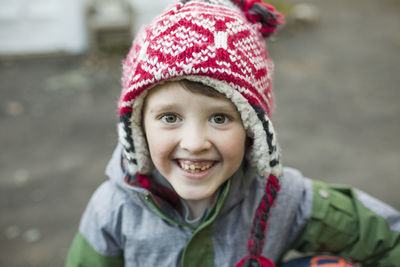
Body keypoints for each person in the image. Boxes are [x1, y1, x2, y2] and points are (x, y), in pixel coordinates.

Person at [65, 0, 400, 266]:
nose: (195, 143)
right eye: (169, 117)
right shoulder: (112, 211)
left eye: (220, 118)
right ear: (137, 128)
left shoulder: (284, 199)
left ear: (254, 130)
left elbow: (389, 237)